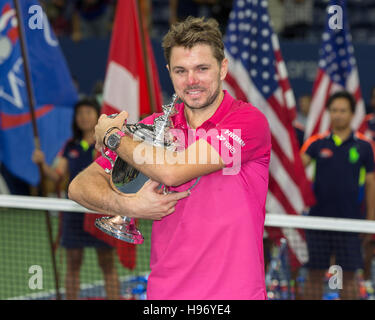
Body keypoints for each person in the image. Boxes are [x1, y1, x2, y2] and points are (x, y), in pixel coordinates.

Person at [68, 16, 271, 299]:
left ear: (223, 68)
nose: (191, 81)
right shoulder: (157, 126)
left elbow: (173, 171)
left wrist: (114, 137)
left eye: (202, 68)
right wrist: (129, 204)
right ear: (169, 72)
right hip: (165, 296)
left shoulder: (247, 122)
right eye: (180, 71)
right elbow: (79, 187)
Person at [32, 99, 120, 300]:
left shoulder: (109, 144)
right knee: (73, 261)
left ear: (98, 116)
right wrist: (42, 163)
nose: (84, 117)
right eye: (80, 113)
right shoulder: (70, 145)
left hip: (101, 211)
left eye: (88, 112)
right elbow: (57, 175)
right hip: (74, 211)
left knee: (107, 262)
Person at [300, 91, 375, 300]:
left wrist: (370, 222)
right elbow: (296, 171)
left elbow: (371, 184)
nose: (338, 115)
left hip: (351, 222)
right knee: (314, 273)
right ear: (328, 113)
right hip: (318, 220)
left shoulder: (365, 146)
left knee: (348, 275)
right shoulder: (316, 143)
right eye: (334, 110)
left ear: (352, 114)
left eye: (343, 111)